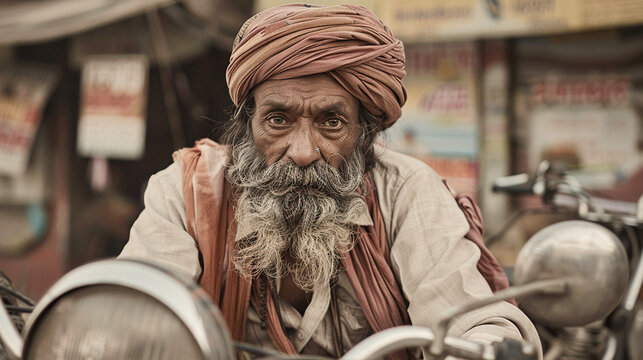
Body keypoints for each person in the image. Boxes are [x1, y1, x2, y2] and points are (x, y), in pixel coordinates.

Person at [119, 4, 540, 358]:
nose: (303, 152)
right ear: (247, 124)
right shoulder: (188, 192)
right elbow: (136, 310)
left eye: (332, 121)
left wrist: (482, 346)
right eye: (278, 119)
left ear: (365, 134)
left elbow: (471, 318)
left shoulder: (406, 190)